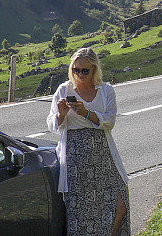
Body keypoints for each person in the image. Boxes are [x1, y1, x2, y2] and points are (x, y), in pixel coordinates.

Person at [47, 47, 130, 235]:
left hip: (103, 153)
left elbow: (109, 121)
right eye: (76, 70)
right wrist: (61, 114)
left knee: (118, 204)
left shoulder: (105, 90)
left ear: (94, 69)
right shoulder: (64, 89)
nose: (80, 74)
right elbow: (52, 124)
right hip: (75, 157)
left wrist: (86, 113)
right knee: (82, 212)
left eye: (85, 70)